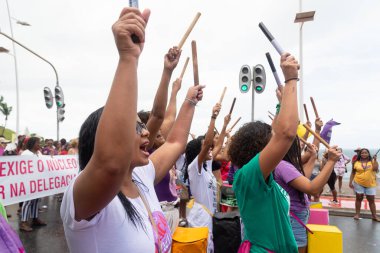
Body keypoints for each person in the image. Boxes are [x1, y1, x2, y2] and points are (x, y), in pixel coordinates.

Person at [60, 7, 204, 253]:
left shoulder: (141, 176)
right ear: (103, 140)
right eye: (137, 127)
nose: (147, 132)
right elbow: (111, 163)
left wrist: (190, 101)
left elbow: (174, 143)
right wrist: (128, 57)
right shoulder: (84, 198)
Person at [228, 53, 299, 252]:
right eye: (270, 141)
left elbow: (278, 132)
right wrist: (291, 79)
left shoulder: (258, 176)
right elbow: (285, 134)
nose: (274, 146)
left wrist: (282, 103)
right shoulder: (247, 176)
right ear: (260, 147)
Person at [273, 139, 340, 253]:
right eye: (300, 144)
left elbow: (303, 178)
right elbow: (313, 189)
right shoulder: (283, 166)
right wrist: (331, 161)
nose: (302, 146)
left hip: (293, 215)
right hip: (293, 217)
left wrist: (313, 157)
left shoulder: (282, 164)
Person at [19, 137, 47, 232]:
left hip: (37, 180)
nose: (39, 145)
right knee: (27, 202)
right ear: (32, 144)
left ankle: (34, 218)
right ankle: (23, 222)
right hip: (28, 180)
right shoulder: (26, 154)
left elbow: (45, 164)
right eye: (37, 143)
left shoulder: (39, 153)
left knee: (36, 200)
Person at [349, 148, 379, 221]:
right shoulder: (356, 162)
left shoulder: (372, 161)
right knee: (359, 198)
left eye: (366, 153)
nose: (364, 154)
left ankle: (374, 216)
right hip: (358, 182)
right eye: (362, 153)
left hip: (371, 183)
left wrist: (375, 160)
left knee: (371, 200)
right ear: (360, 154)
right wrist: (350, 182)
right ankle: (357, 214)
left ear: (368, 154)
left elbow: (375, 169)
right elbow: (353, 173)